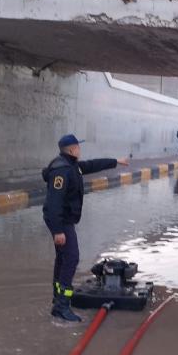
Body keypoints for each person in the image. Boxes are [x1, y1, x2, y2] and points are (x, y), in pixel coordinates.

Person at [42, 134, 129, 322]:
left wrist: (116, 161)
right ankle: (62, 306)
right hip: (61, 221)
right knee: (72, 259)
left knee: (63, 258)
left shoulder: (72, 165)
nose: (80, 150)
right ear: (72, 150)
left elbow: (92, 165)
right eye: (78, 147)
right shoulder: (62, 171)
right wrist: (58, 231)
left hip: (63, 220)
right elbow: (54, 202)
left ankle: (58, 299)